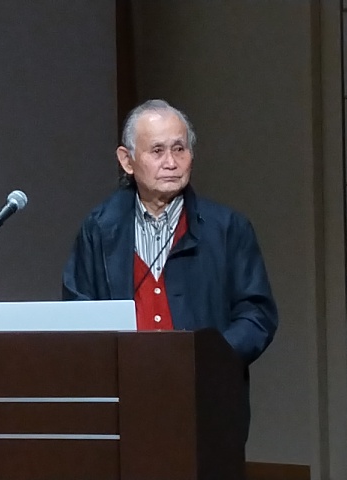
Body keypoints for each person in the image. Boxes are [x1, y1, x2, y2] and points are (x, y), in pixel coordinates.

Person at [62, 99, 278, 436]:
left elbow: (257, 313)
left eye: (180, 149)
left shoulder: (227, 228)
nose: (171, 163)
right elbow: (77, 309)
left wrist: (211, 359)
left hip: (206, 402)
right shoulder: (100, 229)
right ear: (127, 160)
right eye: (157, 151)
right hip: (122, 404)